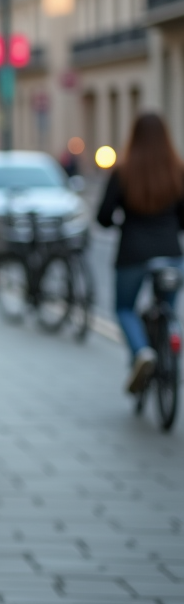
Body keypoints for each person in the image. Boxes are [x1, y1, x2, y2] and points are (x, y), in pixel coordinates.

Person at [96, 112, 184, 394]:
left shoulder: (124, 172)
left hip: (133, 252)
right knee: (167, 308)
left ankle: (141, 351)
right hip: (170, 252)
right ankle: (168, 343)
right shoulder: (177, 171)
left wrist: (118, 222)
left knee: (124, 308)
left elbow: (103, 215)